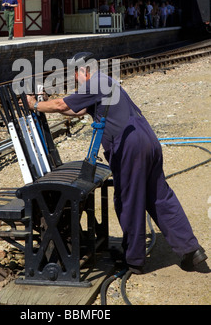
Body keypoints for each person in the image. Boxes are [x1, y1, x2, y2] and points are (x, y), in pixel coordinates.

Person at [26, 52, 207, 274]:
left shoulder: (95, 82)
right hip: (148, 140)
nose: (75, 82)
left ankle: (135, 260)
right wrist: (45, 104)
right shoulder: (106, 82)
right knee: (160, 197)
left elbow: (62, 105)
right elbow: (78, 109)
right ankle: (192, 251)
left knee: (129, 200)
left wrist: (35, 105)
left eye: (75, 76)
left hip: (130, 146)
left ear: (83, 71)